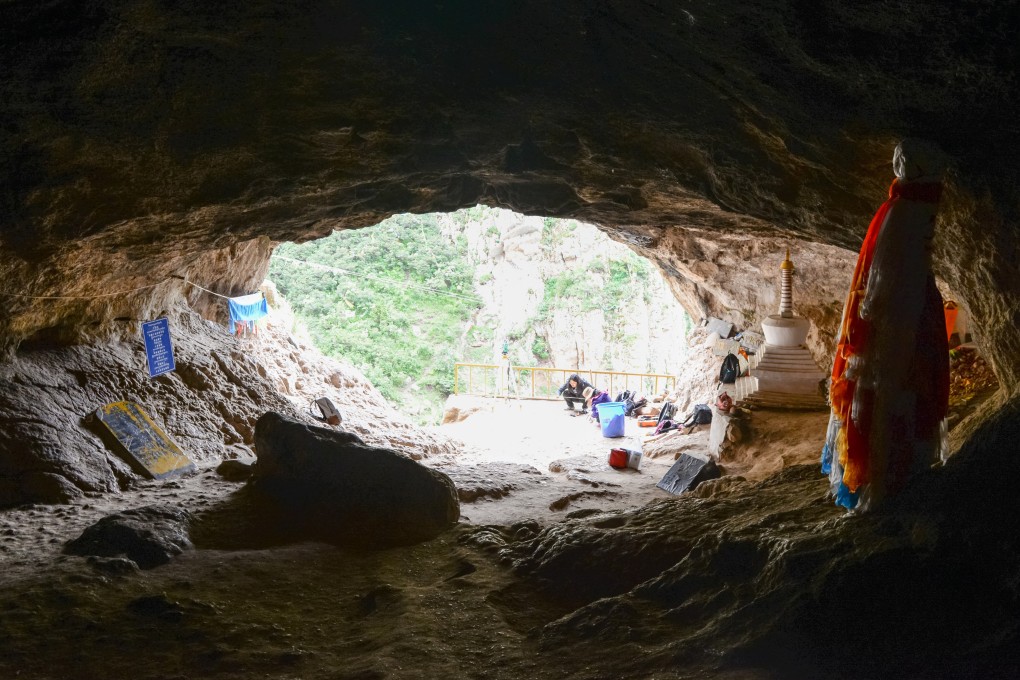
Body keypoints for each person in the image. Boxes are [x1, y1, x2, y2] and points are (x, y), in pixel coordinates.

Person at [821, 139, 949, 511]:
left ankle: (900, 473)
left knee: (904, 399)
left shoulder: (902, 212)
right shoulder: (905, 218)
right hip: (899, 328)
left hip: (911, 318)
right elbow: (886, 290)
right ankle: (889, 478)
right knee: (895, 399)